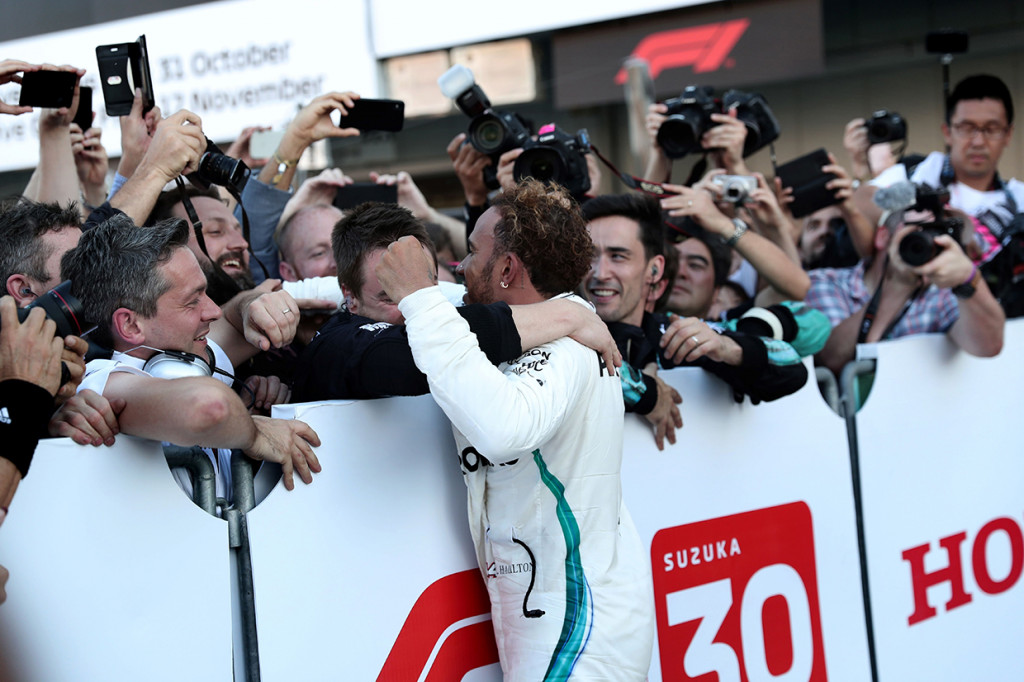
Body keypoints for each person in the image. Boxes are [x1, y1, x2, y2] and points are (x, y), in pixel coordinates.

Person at [376, 178, 653, 680]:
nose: (460, 267)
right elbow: (419, 306)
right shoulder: (555, 320)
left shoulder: (566, 346)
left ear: (507, 269)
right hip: (555, 606)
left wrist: (418, 296)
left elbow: (502, 428)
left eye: (472, 253)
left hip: (578, 623)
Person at [60, 215, 322, 498]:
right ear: (130, 325)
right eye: (192, 300)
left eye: (206, 292)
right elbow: (208, 408)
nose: (213, 311)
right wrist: (256, 433)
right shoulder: (101, 382)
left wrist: (252, 305)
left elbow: (235, 319)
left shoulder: (185, 353)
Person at [292, 201, 617, 402]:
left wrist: (649, 392)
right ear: (349, 296)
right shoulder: (333, 345)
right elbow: (408, 357)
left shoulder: (448, 309)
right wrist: (567, 315)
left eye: (423, 286)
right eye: (391, 297)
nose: (413, 310)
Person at [583, 193, 809, 417]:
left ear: (655, 270)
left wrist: (727, 348)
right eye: (589, 256)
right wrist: (645, 393)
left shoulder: (674, 338)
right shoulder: (556, 327)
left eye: (618, 256)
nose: (600, 273)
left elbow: (791, 366)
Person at [859, 74, 1024, 314]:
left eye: (991, 129)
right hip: (914, 320)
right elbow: (862, 202)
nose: (978, 141)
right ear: (947, 131)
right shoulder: (919, 172)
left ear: (1008, 134)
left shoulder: (1019, 199)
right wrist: (933, 211)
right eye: (967, 128)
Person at [807, 198, 1005, 379]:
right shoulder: (826, 282)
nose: (929, 243)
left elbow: (988, 346)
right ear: (883, 236)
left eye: (938, 234)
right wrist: (898, 286)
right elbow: (832, 359)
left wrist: (968, 280)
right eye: (918, 232)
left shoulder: (941, 294)